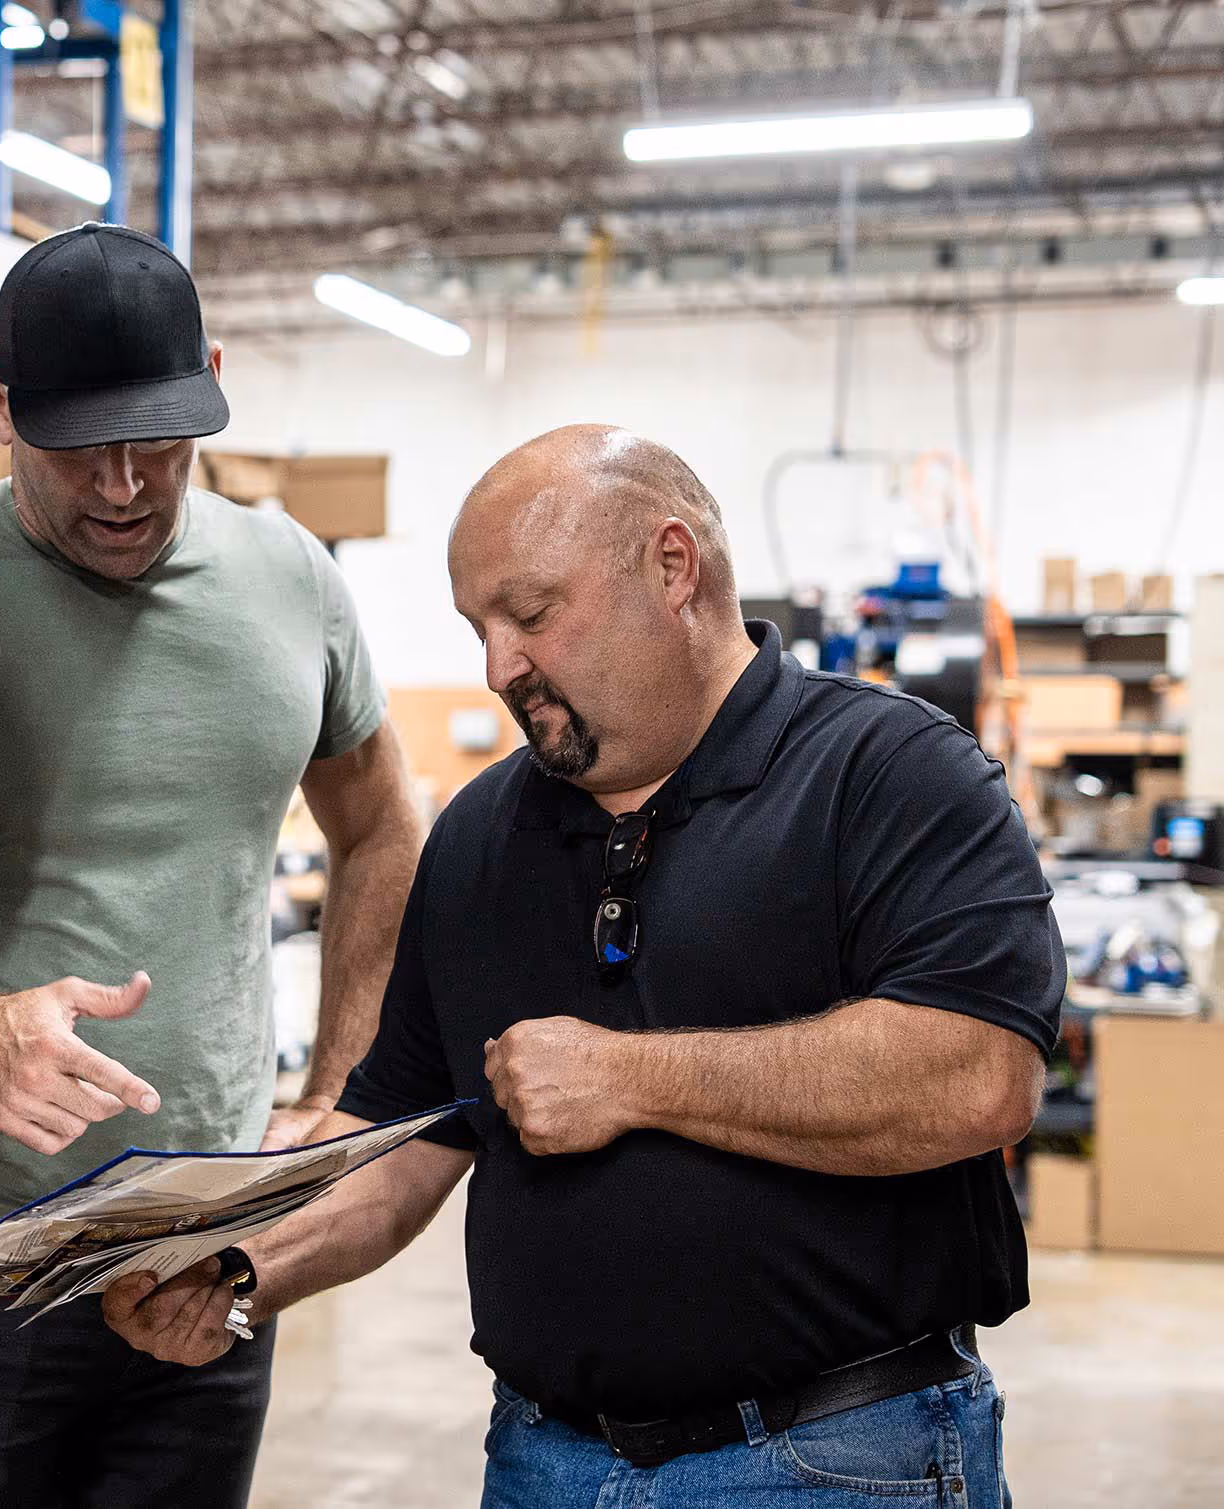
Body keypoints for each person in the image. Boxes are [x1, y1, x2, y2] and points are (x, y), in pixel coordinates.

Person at [101, 424, 1061, 1509]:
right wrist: (239, 1270)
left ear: (671, 566)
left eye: (531, 613)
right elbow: (407, 1139)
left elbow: (979, 1077)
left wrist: (634, 1079)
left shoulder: (889, 776)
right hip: (541, 1463)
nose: (498, 665)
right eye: (477, 627)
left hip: (834, 1460)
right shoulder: (476, 837)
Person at [0, 223, 425, 1508]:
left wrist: (335, 1093)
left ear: (214, 382)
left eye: (162, 442)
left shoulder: (290, 578)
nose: (125, 486)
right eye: (78, 449)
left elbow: (383, 824)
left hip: (199, 1242)